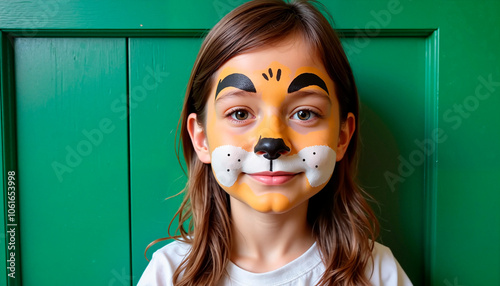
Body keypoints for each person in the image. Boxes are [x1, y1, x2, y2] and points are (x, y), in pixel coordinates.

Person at [138, 0, 412, 285]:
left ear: (342, 136)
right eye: (240, 113)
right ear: (202, 138)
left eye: (304, 114)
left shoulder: (377, 272)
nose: (271, 143)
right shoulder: (170, 273)